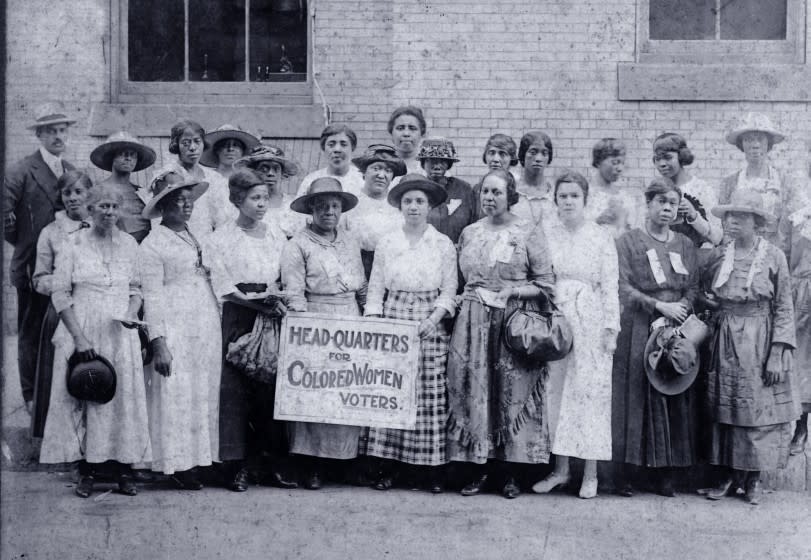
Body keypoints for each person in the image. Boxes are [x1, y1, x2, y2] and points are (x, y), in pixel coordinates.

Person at [446, 168, 556, 499]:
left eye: (497, 192)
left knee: (511, 393)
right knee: (478, 394)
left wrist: (513, 293)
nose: (490, 198)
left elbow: (548, 284)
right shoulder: (469, 232)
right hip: (474, 324)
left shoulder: (528, 232)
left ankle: (511, 475)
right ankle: (479, 469)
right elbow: (462, 281)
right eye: (485, 192)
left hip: (513, 323)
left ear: (511, 196)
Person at [40, 184, 151, 498]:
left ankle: (123, 470)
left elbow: (136, 288)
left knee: (122, 400)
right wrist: (79, 338)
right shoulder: (72, 244)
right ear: (90, 209)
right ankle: (87, 471)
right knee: (86, 396)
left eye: (114, 207)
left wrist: (131, 313)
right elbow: (60, 294)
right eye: (103, 206)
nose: (109, 213)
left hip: (119, 330)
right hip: (83, 327)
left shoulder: (130, 244)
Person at [702, 190, 799, 505]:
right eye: (729, 216)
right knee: (726, 408)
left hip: (759, 340)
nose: (731, 222)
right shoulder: (721, 254)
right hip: (725, 338)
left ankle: (754, 480)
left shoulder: (774, 256)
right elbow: (708, 293)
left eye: (740, 216)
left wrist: (777, 352)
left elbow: (784, 306)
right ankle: (728, 476)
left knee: (756, 413)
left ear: (756, 222)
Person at [362, 174, 457, 493]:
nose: (414, 207)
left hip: (429, 317)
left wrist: (436, 317)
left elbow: (449, 287)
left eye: (420, 201)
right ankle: (389, 467)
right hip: (395, 314)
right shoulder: (388, 242)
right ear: (400, 206)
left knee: (429, 392)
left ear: (430, 207)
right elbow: (376, 285)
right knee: (393, 390)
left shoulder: (442, 243)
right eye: (408, 201)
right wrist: (376, 320)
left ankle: (429, 471)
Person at [206, 169, 298, 492]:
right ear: (236, 200)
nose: (261, 205)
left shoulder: (274, 234)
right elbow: (225, 287)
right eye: (254, 199)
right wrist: (259, 305)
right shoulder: (221, 238)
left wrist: (276, 300)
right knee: (235, 390)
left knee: (269, 390)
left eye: (264, 198)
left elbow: (284, 272)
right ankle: (236, 466)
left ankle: (269, 464)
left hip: (272, 312)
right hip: (240, 316)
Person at [532, 171, 619, 499]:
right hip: (555, 319)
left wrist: (611, 328)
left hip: (590, 321)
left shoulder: (600, 236)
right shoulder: (546, 233)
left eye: (574, 196)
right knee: (555, 395)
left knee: (590, 395)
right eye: (563, 196)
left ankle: (590, 474)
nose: (568, 202)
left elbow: (610, 285)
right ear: (555, 200)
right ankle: (561, 470)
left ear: (585, 200)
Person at [612, 178, 700, 498]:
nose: (666, 208)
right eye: (660, 202)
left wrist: (680, 308)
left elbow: (693, 287)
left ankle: (665, 474)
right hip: (638, 323)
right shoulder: (628, 242)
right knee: (635, 396)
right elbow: (622, 285)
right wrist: (656, 305)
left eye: (672, 203)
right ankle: (628, 473)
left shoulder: (686, 246)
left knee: (670, 393)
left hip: (675, 323)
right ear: (647, 204)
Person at [281, 177, 366, 489]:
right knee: (316, 392)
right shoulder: (298, 245)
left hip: (350, 319)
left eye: (335, 205)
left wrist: (369, 315)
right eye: (322, 206)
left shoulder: (350, 240)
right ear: (311, 209)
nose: (329, 211)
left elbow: (362, 285)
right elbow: (294, 293)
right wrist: (303, 329)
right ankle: (312, 464)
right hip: (315, 320)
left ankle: (344, 462)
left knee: (347, 390)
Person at [139, 173, 222, 490]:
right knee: (177, 392)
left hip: (203, 322)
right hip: (176, 323)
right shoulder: (153, 245)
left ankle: (203, 460)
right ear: (163, 206)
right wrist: (158, 342)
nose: (186, 205)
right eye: (177, 200)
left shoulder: (194, 235)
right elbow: (152, 297)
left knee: (202, 391)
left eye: (189, 198)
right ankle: (177, 464)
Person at [4, 110, 76, 413]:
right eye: (51, 132)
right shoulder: (21, 170)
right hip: (34, 265)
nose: (58, 137)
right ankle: (31, 397)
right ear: (40, 136)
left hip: (67, 266)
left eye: (62, 131)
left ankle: (56, 395)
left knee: (61, 328)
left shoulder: (69, 169)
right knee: (32, 330)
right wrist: (27, 245)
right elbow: (5, 218)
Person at [30, 171, 92, 439]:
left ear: (90, 194)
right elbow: (39, 278)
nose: (73, 198)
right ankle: (68, 448)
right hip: (62, 311)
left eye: (79, 191)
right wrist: (63, 282)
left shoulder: (101, 223)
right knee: (65, 383)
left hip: (97, 308)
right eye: (67, 193)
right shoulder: (51, 232)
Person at [720, 112, 800, 252]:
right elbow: (725, 224)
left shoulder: (785, 182)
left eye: (760, 139)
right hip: (739, 252)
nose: (755, 145)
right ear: (741, 144)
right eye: (749, 140)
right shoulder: (730, 183)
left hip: (775, 251)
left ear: (768, 143)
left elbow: (790, 225)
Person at [151, 120, 229, 236]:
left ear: (203, 143)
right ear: (176, 145)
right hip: (177, 241)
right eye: (186, 143)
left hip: (210, 242)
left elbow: (222, 218)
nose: (192, 147)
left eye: (197, 141)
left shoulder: (214, 178)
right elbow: (158, 218)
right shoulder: (167, 176)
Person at [344, 144, 407, 277]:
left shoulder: (398, 206)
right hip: (352, 269)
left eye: (388, 171)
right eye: (376, 168)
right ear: (364, 172)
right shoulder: (350, 203)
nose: (381, 175)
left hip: (389, 271)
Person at [652, 132, 722, 247]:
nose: (662, 164)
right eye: (657, 159)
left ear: (681, 157)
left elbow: (718, 238)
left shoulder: (702, 189)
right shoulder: (654, 191)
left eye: (668, 158)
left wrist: (693, 215)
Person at [90, 131, 157, 243]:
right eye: (123, 154)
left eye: (133, 155)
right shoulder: (99, 190)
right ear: (112, 157)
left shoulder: (141, 191)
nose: (128, 158)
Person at [235, 144, 304, 238]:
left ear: (282, 174)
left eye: (276, 169)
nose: (270, 173)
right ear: (253, 172)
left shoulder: (293, 206)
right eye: (264, 169)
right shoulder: (243, 204)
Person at [199, 124, 260, 224]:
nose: (230, 149)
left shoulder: (249, 180)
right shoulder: (206, 178)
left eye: (235, 145)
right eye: (224, 145)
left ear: (242, 152)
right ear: (217, 150)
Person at [419, 138, 477, 244]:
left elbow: (473, 223)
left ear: (449, 163)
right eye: (431, 160)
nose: (437, 166)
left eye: (442, 160)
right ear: (423, 163)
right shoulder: (416, 188)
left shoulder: (463, 189)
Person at [788, 193, 811, 455]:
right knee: (803, 361)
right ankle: (801, 427)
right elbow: (785, 252)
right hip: (803, 290)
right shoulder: (800, 210)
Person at [586, 138, 642, 237]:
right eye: (615, 162)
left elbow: (634, 231)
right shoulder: (585, 194)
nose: (620, 168)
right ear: (599, 162)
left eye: (622, 163)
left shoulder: (625, 198)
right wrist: (597, 221)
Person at [296, 124, 364, 197]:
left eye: (343, 145)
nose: (337, 149)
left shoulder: (363, 180)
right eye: (331, 145)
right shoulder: (311, 180)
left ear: (352, 148)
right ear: (324, 149)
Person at [511, 131, 556, 229]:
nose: (538, 158)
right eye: (533, 152)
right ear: (523, 155)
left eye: (544, 153)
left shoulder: (554, 193)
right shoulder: (512, 190)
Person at [472, 134, 519, 219]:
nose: (496, 159)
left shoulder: (519, 189)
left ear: (511, 158)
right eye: (491, 153)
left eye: (502, 154)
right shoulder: (477, 190)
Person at [388, 106, 427, 177]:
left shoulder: (429, 167)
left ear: (421, 133)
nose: (406, 134)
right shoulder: (382, 163)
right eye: (400, 128)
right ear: (391, 132)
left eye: (412, 128)